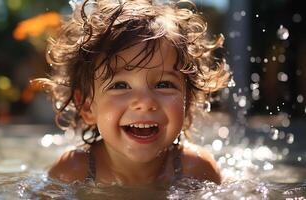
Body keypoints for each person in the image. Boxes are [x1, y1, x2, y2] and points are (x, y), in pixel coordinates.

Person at [34, 0, 230, 186]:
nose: (144, 102)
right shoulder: (73, 172)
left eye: (163, 84)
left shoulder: (196, 170)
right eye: (120, 86)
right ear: (87, 106)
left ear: (188, 100)